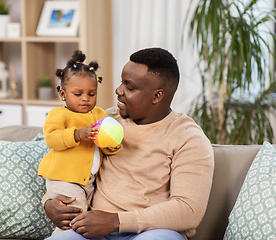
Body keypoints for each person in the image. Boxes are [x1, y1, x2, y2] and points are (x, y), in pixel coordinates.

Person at [43, 47, 214, 240]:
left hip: (152, 232)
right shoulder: (104, 120)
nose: (118, 90)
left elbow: (188, 210)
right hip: (92, 231)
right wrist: (49, 204)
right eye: (121, 82)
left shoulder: (188, 138)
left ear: (157, 96)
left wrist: (116, 222)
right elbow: (65, 164)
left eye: (129, 87)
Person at [38, 50, 121, 234]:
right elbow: (52, 138)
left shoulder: (99, 114)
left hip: (88, 181)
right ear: (62, 93)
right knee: (75, 218)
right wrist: (76, 134)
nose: (85, 98)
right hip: (64, 178)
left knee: (81, 217)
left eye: (92, 93)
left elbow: (102, 143)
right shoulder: (58, 114)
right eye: (78, 94)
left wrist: (111, 147)